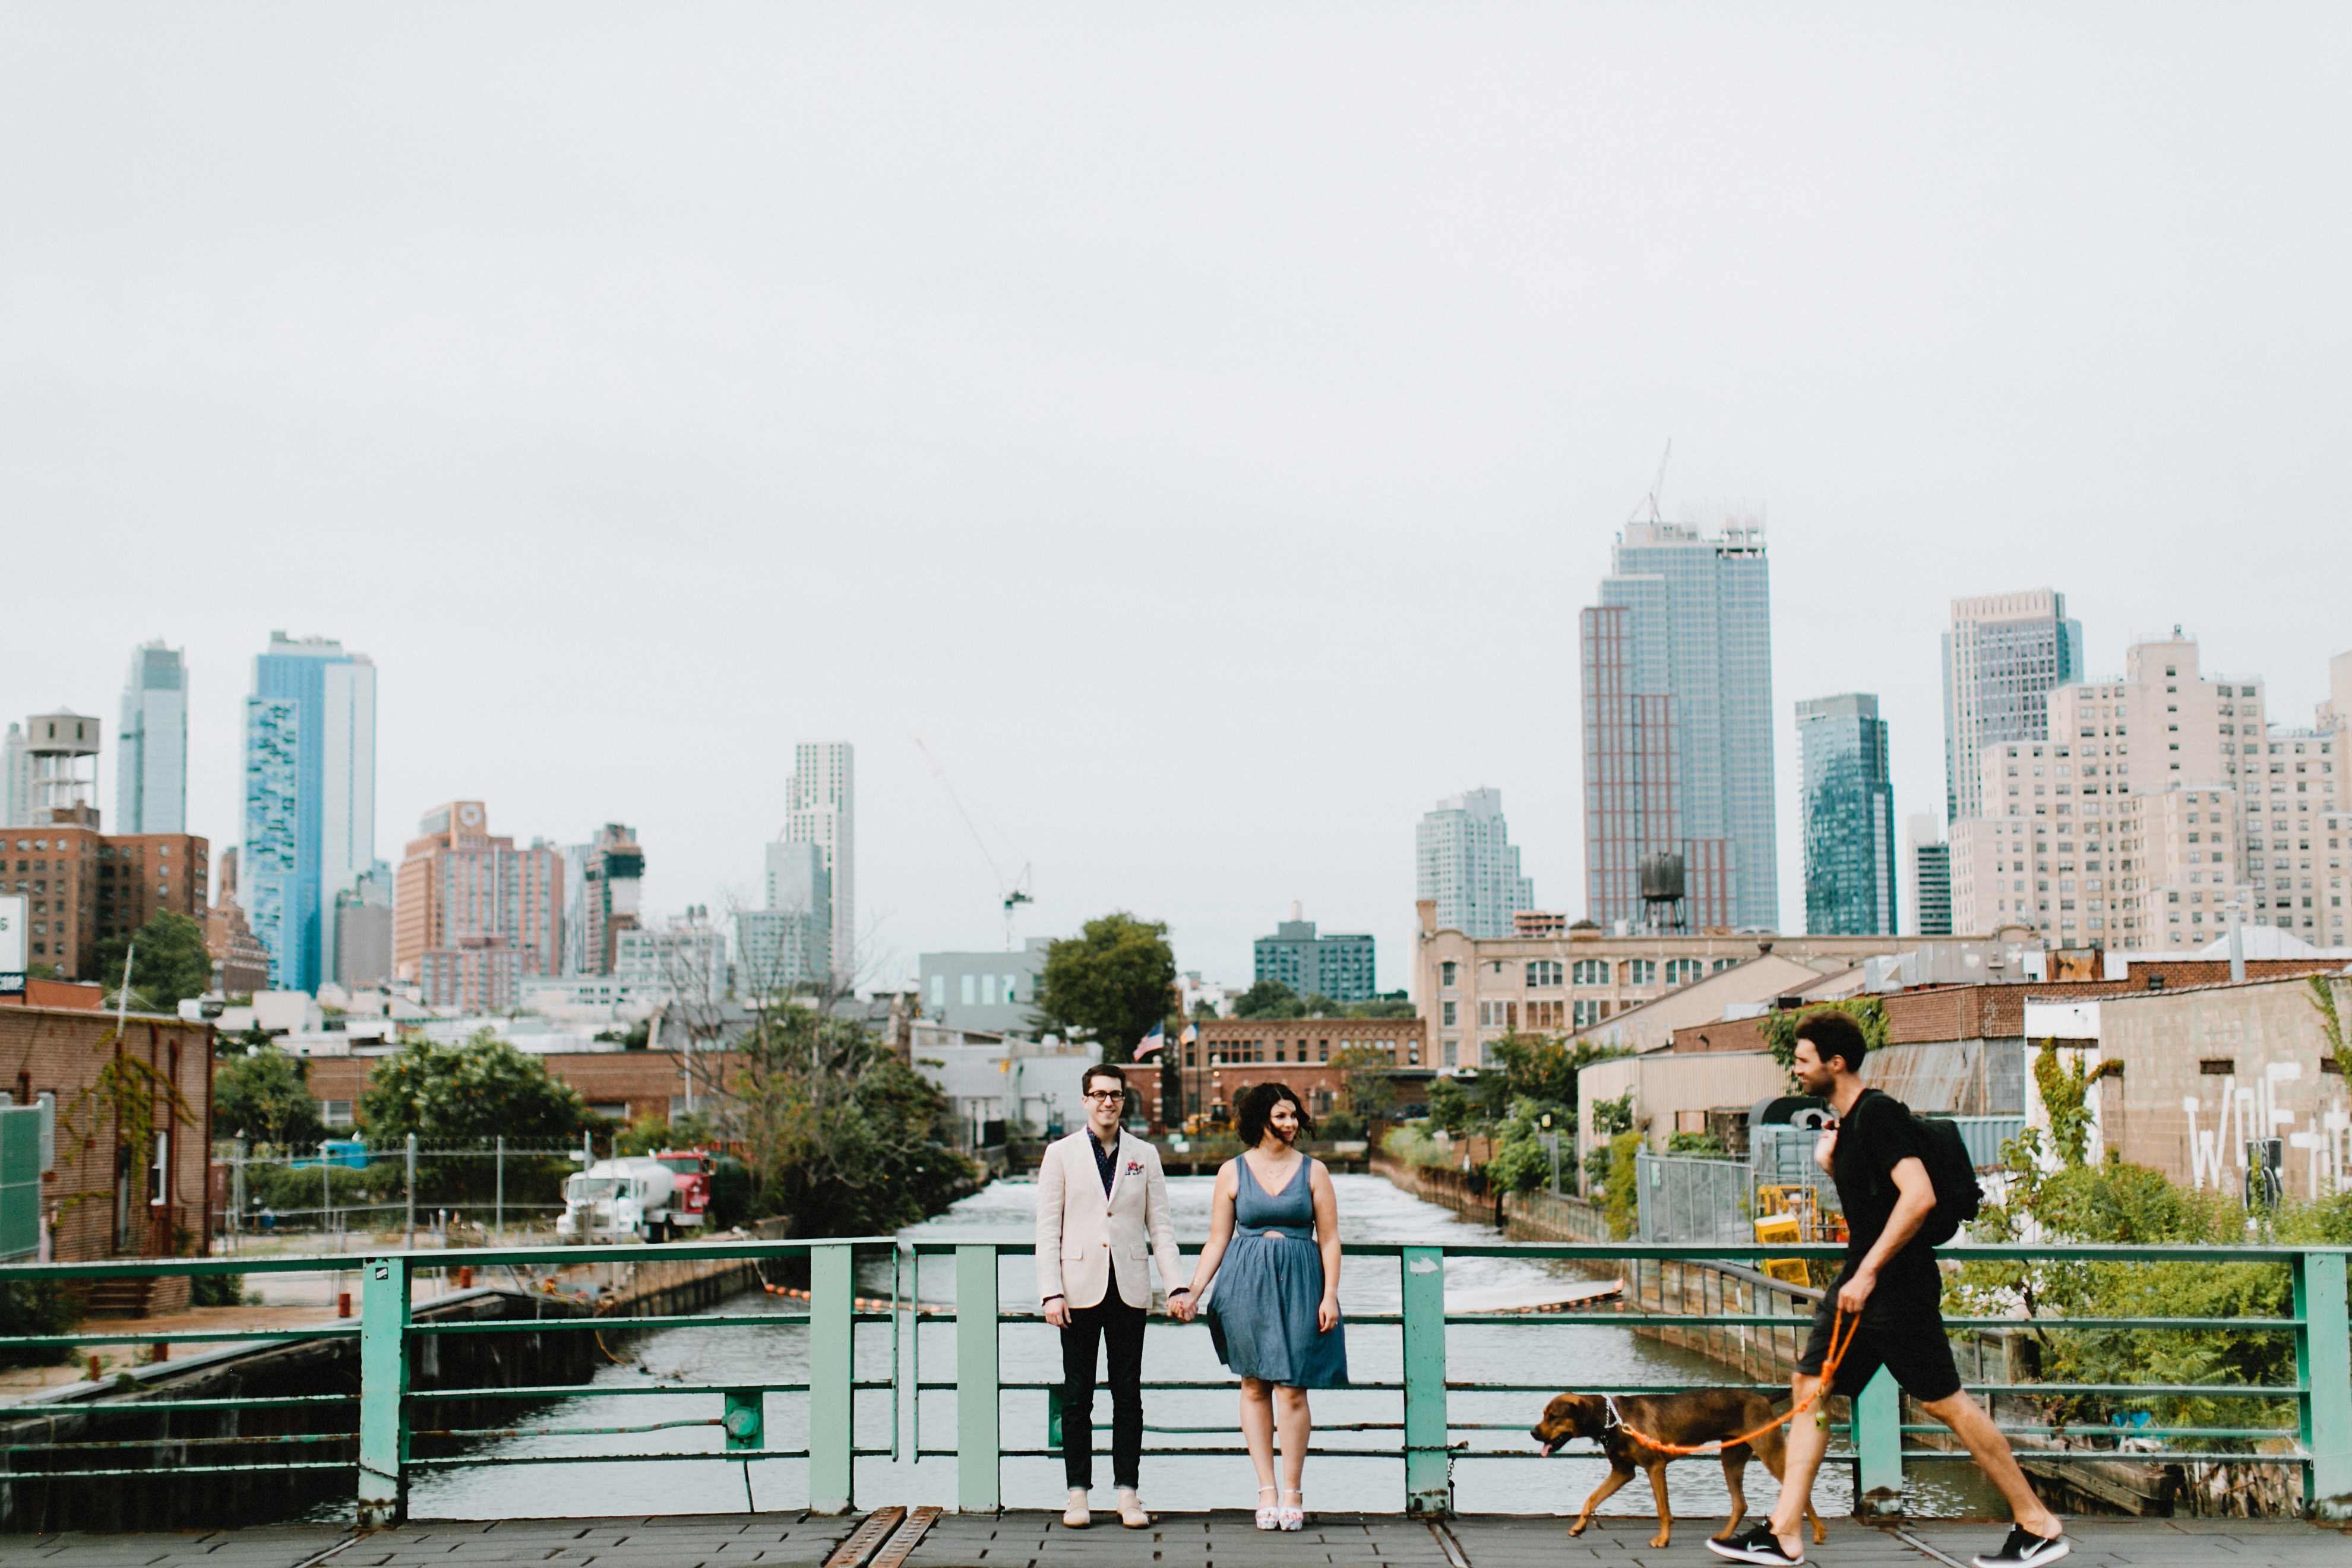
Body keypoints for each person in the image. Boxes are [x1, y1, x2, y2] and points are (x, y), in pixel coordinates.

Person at [1709, 1011, 2069, 1568]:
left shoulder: (1879, 1115)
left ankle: (2037, 1523)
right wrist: (1831, 1168)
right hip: (1863, 1286)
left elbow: (1918, 1196)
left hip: (1895, 1289)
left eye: (1803, 1060)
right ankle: (1783, 1531)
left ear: (1836, 1063)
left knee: (1945, 1404)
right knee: (1810, 1387)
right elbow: (1877, 1204)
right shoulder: (1850, 1126)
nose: (1796, 1071)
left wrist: (1870, 1271)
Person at [1173, 1080, 1348, 1532]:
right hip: (1245, 1283)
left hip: (1301, 1282)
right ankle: (1266, 1489)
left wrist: (1330, 1295)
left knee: (1292, 1387)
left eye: (1294, 1116)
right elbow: (1218, 1238)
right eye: (1282, 1116)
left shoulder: (1315, 1172)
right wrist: (1193, 1289)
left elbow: (1329, 1238)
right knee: (1253, 1384)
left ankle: (1293, 1490)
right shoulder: (1232, 1172)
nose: (1291, 1124)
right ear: (1260, 1120)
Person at [1035, 1061, 1187, 1530]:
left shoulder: (1145, 1154)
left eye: (1115, 1095)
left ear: (1124, 1101)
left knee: (1128, 1394)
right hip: (1077, 1289)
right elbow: (1047, 1230)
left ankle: (1128, 1493)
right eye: (1099, 1094)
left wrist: (1177, 1284)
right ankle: (1077, 1494)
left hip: (1129, 1287)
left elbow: (1159, 1227)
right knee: (1078, 1396)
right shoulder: (1059, 1155)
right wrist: (1050, 1293)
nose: (1107, 1102)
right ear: (1084, 1100)